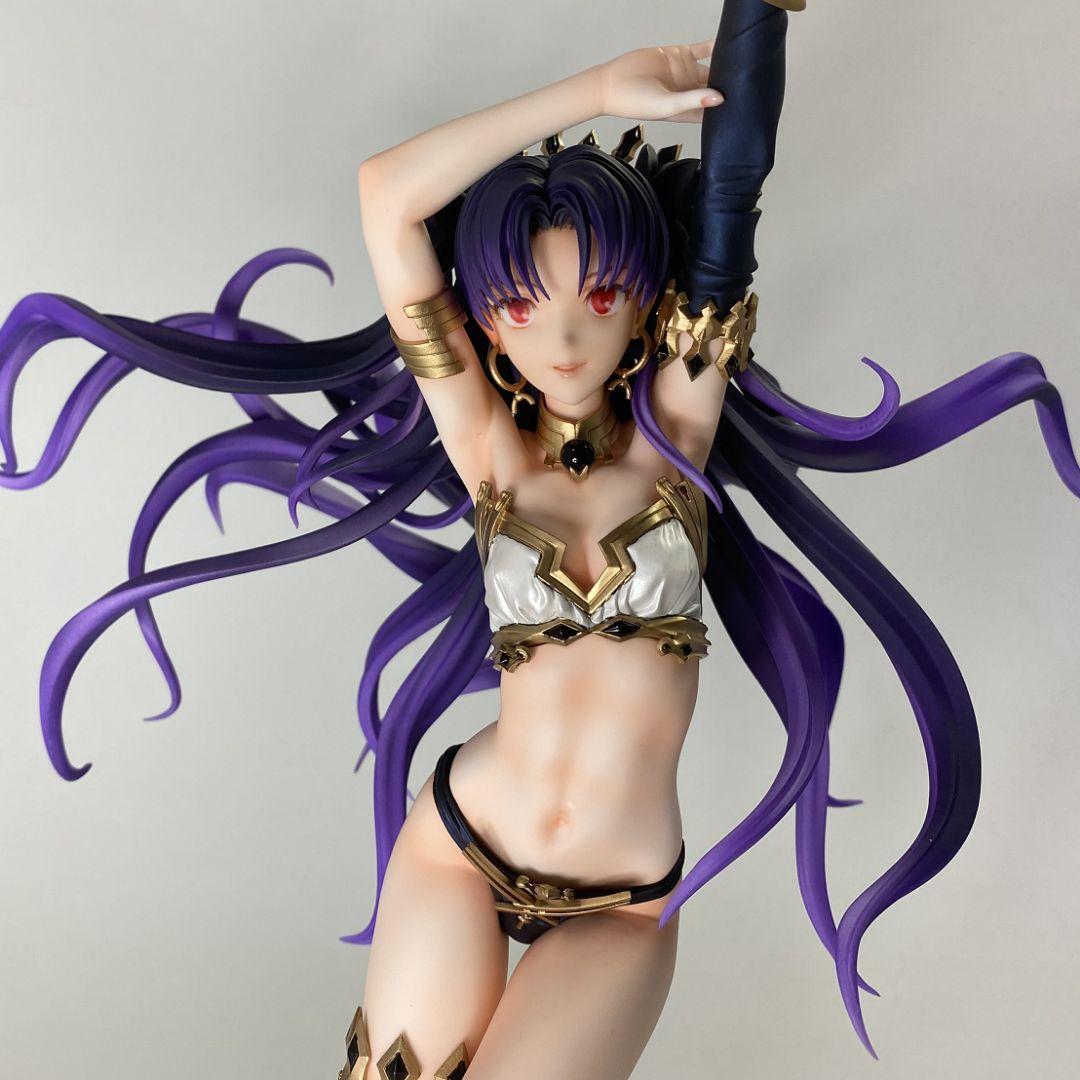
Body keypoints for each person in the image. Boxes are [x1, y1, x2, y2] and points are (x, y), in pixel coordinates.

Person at [2, 2, 1077, 1076]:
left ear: (643, 308)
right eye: (519, 304)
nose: (562, 335)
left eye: (598, 295)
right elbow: (386, 197)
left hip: (625, 900)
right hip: (463, 844)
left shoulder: (678, 446)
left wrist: (760, 11)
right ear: (487, 323)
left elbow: (735, 192)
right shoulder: (490, 457)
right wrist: (597, 91)